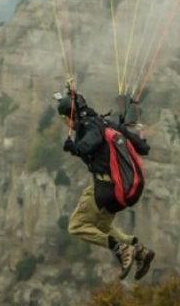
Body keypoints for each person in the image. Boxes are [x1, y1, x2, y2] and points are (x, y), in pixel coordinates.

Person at [56, 83, 155, 281]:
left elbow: (91, 141)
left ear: (68, 116)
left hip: (105, 190)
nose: (65, 123)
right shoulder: (105, 122)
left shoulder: (89, 126)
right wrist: (141, 143)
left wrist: (76, 148)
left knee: (76, 225)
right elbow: (140, 146)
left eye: (63, 118)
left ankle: (120, 248)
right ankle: (138, 249)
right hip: (122, 191)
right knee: (100, 227)